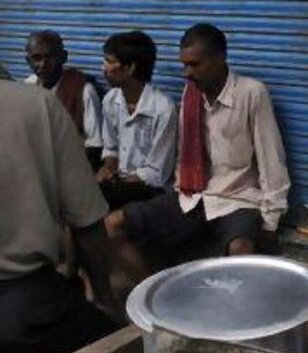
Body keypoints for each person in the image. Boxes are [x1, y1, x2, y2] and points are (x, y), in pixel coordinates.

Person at [104, 23, 290, 281]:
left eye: (195, 64)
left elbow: (272, 161)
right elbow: (184, 155)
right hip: (192, 197)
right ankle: (156, 299)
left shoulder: (252, 94)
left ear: (220, 59)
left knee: (241, 251)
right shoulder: (191, 94)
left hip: (238, 200)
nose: (187, 73)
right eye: (184, 65)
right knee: (113, 225)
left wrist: (270, 222)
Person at [0, 81, 119, 353]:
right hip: (22, 303)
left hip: (22, 303)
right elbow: (88, 220)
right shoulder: (37, 104)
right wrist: (104, 297)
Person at [97, 31, 177, 210]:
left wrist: (118, 184)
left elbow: (157, 173)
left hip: (151, 191)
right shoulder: (111, 99)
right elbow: (111, 148)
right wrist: (108, 168)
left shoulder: (163, 108)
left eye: (109, 61)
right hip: (121, 184)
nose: (103, 68)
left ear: (130, 68)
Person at [24, 30, 104, 170]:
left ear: (63, 57)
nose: (43, 64)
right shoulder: (27, 87)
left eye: (50, 57)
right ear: (28, 61)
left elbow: (95, 145)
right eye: (36, 58)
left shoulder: (83, 89)